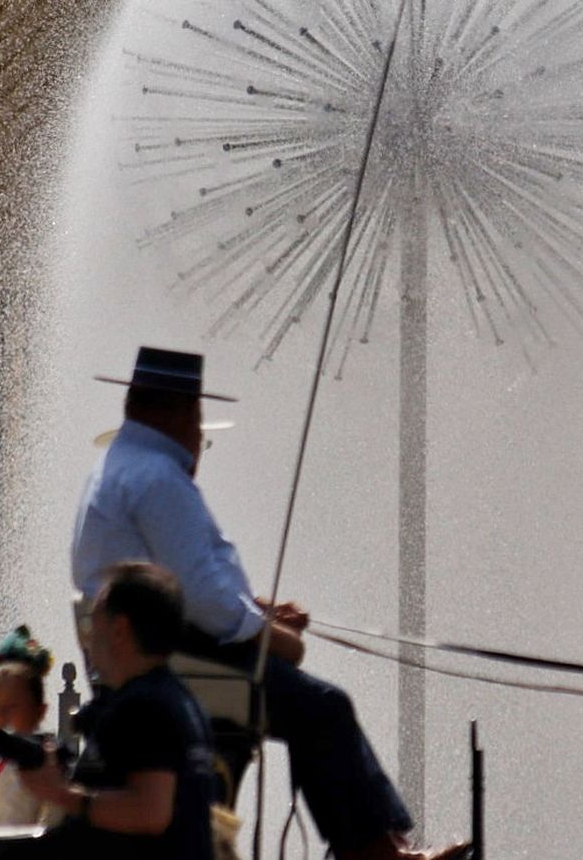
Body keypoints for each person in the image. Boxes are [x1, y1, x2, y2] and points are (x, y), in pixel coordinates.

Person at [71, 346, 469, 860]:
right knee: (323, 708)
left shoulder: (118, 468)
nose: (199, 440)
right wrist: (272, 635)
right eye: (198, 424)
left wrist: (256, 610)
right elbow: (204, 599)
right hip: (170, 655)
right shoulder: (158, 479)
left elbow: (187, 584)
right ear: (182, 414)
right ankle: (373, 850)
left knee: (316, 706)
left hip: (146, 640)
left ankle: (376, 843)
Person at [18, 561, 216, 860]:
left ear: (120, 630)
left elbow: (150, 812)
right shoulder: (179, 699)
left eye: (92, 625)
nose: (88, 639)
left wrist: (60, 793)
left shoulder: (144, 706)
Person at [0, 626, 57, 828]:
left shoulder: (36, 764)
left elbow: (8, 835)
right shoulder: (10, 764)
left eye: (10, 708)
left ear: (39, 711)